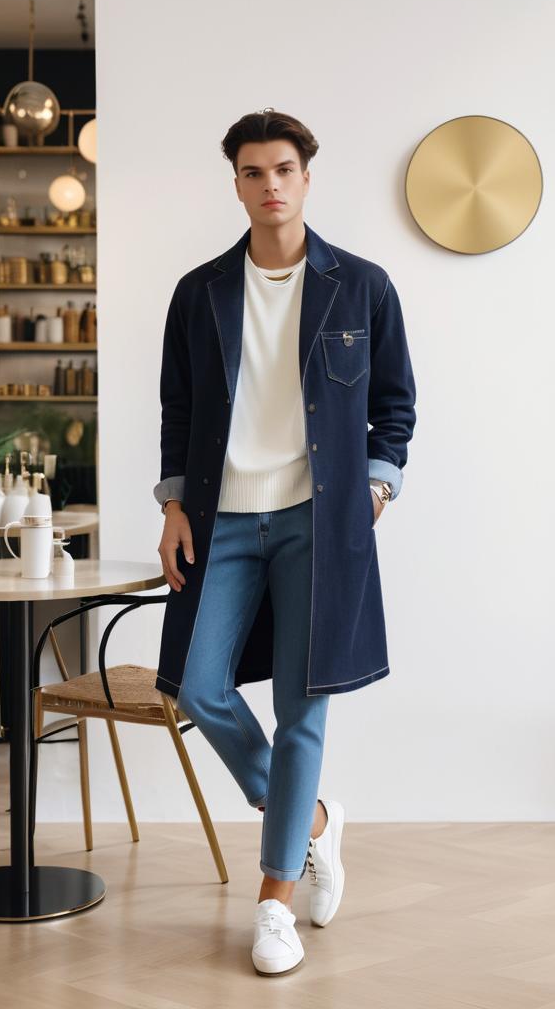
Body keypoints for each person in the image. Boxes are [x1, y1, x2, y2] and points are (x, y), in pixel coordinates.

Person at [152, 108, 417, 975]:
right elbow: (179, 408)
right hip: (222, 516)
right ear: (235, 182)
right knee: (197, 686)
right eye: (253, 172)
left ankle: (274, 902)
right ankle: (309, 823)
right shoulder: (200, 293)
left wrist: (378, 482)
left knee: (306, 703)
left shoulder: (363, 286)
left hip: (319, 518)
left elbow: (395, 404)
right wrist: (174, 506)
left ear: (307, 177)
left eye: (284, 170)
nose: (270, 185)